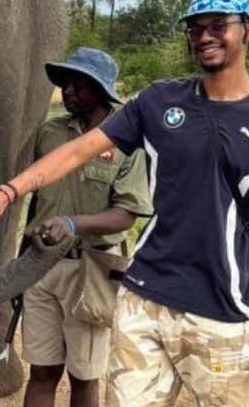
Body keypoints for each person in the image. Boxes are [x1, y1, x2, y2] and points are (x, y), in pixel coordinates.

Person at [0, 0, 249, 407]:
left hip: (223, 308)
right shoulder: (159, 100)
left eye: (219, 25)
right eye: (195, 28)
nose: (205, 36)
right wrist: (6, 193)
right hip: (144, 296)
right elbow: (78, 150)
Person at [21, 48, 152, 407]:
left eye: (80, 84)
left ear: (101, 89)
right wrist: (20, 264)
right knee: (42, 371)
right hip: (41, 264)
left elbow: (127, 214)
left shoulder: (127, 143)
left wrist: (72, 224)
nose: (68, 91)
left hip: (92, 268)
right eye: (66, 83)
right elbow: (36, 201)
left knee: (83, 376)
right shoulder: (50, 132)